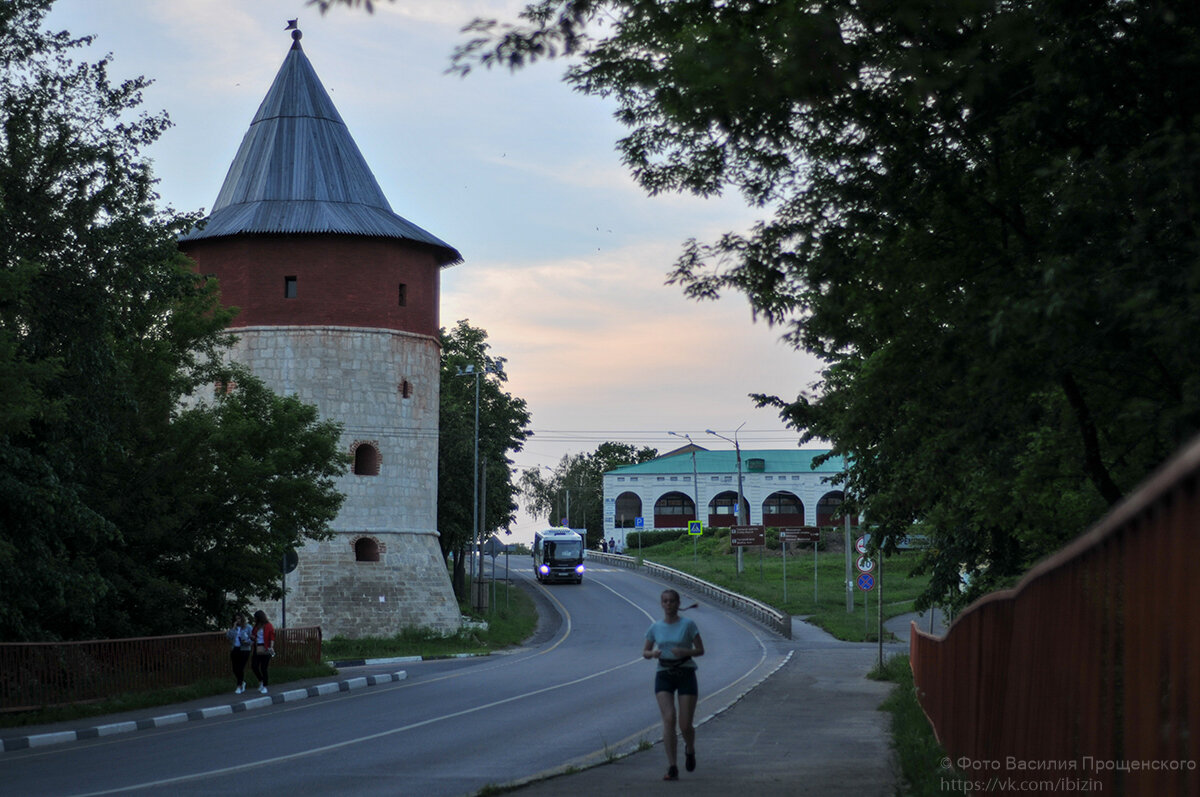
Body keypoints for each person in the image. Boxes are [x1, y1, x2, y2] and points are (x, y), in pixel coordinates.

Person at [643, 588, 704, 781]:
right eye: (665, 601)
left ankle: (690, 748)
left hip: (685, 672)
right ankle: (672, 766)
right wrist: (653, 654)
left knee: (685, 725)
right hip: (664, 673)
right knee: (669, 718)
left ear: (678, 604)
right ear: (661, 604)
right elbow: (645, 652)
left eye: (672, 601)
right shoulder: (656, 627)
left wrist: (685, 652)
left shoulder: (688, 625)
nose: (669, 605)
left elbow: (701, 650)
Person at [249, 609, 276, 694]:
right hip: (257, 647)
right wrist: (252, 638)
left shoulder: (268, 626)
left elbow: (272, 637)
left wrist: (271, 647)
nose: (255, 619)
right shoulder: (256, 626)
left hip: (266, 647)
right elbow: (253, 635)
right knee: (254, 666)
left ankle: (265, 686)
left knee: (264, 668)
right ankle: (260, 680)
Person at [225, 614, 252, 694]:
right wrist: (233, 628)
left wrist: (247, 641)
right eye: (236, 619)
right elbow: (228, 637)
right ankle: (242, 681)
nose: (238, 621)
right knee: (235, 668)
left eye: (239, 619)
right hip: (235, 648)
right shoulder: (234, 628)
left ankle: (239, 686)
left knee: (240, 667)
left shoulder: (248, 627)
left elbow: (253, 638)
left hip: (244, 649)